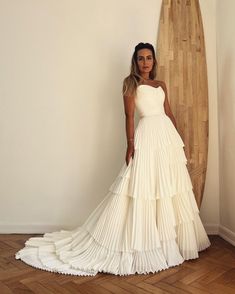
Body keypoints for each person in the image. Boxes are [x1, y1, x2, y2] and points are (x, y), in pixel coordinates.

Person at [15, 42, 211, 276]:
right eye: (141, 58)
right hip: (147, 135)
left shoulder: (161, 84)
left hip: (166, 138)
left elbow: (168, 113)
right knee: (143, 188)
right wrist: (130, 145)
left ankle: (171, 241)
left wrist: (177, 139)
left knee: (169, 188)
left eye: (149, 58)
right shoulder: (130, 84)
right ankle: (144, 241)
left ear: (154, 61)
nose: (145, 62)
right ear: (135, 61)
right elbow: (128, 116)